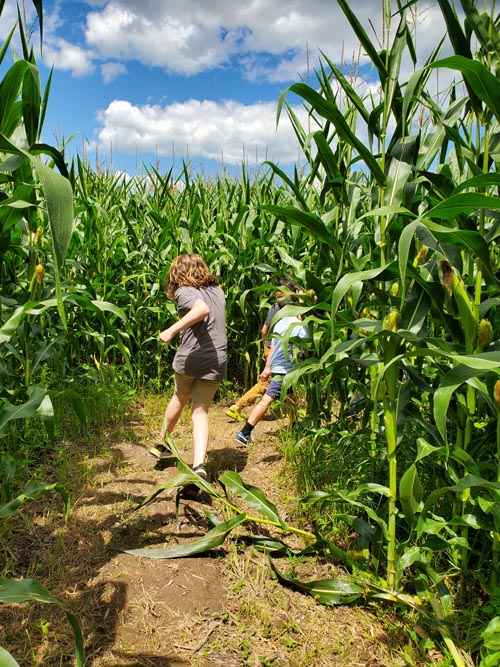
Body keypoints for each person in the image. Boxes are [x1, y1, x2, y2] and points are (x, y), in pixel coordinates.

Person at [149, 254, 227, 494]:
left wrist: (171, 330)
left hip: (192, 357)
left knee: (179, 397)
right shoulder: (217, 290)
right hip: (217, 358)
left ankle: (163, 444)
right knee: (200, 409)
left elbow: (201, 310)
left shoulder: (184, 290)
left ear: (177, 273)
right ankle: (200, 466)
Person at [235, 294, 307, 446]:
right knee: (266, 400)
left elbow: (272, 348)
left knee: (291, 398)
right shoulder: (299, 325)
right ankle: (245, 432)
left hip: (278, 368)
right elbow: (306, 347)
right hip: (286, 371)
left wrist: (267, 368)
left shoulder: (279, 324)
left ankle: (294, 426)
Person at [225, 277, 301, 422]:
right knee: (265, 385)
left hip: (271, 347)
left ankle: (293, 416)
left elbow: (264, 330)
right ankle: (237, 407)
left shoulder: (274, 307)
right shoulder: (288, 310)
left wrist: (265, 348)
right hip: (280, 349)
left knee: (287, 386)